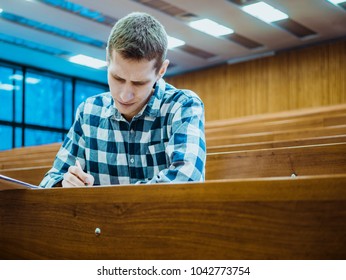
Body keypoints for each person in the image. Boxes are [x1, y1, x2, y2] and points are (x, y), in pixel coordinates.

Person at [39, 12, 206, 188]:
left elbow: (186, 182)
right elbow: (49, 181)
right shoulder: (89, 111)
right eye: (118, 78)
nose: (124, 95)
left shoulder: (183, 106)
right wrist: (65, 184)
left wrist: (106, 199)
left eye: (139, 83)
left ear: (161, 71)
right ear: (107, 58)